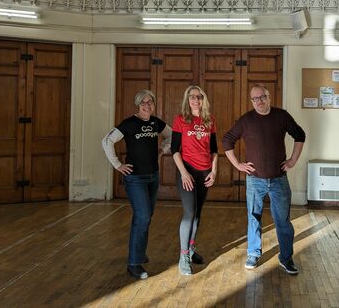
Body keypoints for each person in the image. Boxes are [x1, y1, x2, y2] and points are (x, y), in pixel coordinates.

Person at [222, 84, 305, 275]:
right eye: (255, 99)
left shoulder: (281, 116)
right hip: (255, 181)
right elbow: (227, 140)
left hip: (279, 180)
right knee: (254, 218)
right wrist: (238, 165)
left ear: (269, 97)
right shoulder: (246, 120)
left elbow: (300, 135)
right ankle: (253, 253)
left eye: (262, 97)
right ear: (251, 101)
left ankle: (286, 258)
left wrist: (292, 160)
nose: (259, 101)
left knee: (282, 220)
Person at [102, 89, 172, 280]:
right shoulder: (129, 124)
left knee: (146, 216)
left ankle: (139, 253)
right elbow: (107, 141)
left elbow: (172, 136)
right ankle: (134, 263)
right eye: (143, 102)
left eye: (150, 102)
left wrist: (161, 150)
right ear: (137, 104)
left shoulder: (155, 122)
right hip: (135, 179)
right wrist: (118, 165)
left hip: (153, 177)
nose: (147, 105)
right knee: (142, 217)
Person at [171, 86, 218, 275]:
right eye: (191, 97)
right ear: (187, 100)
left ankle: (191, 249)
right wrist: (183, 173)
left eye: (198, 97)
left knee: (198, 212)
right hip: (187, 171)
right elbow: (174, 150)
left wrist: (213, 172)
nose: (195, 100)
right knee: (189, 213)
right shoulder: (180, 120)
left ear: (203, 99)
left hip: (205, 172)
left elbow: (214, 149)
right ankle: (183, 257)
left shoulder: (210, 120)